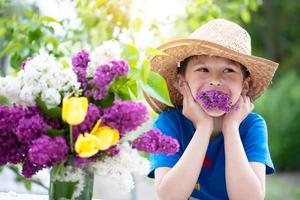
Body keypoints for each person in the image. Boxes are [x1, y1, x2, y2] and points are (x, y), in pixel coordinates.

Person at [145, 18, 279, 200]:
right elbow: (169, 196)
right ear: (182, 83)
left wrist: (231, 128)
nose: (215, 79)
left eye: (228, 70)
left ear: (245, 86)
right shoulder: (169, 124)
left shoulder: (251, 126)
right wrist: (203, 127)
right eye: (203, 69)